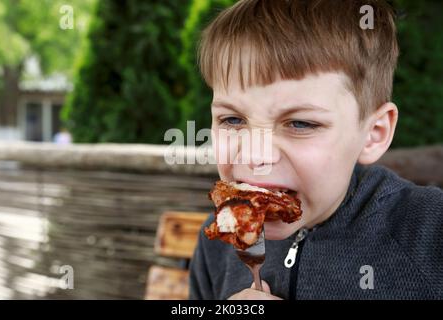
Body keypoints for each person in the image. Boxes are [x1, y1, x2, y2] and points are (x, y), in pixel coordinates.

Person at [189, 0, 443, 299]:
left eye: (299, 124)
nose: (254, 155)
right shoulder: (218, 241)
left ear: (374, 134)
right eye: (232, 119)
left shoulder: (429, 232)